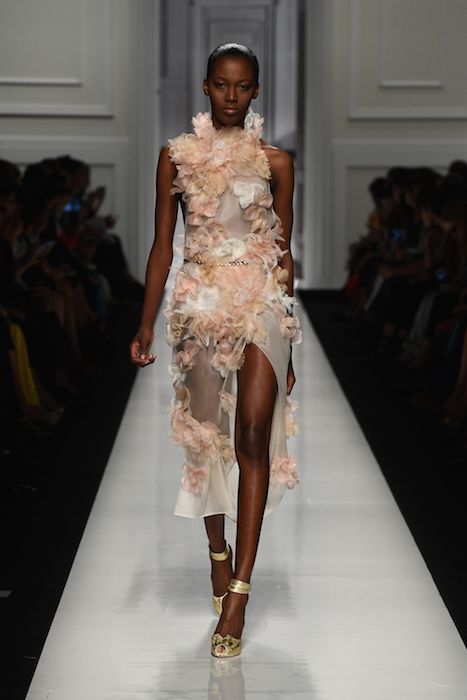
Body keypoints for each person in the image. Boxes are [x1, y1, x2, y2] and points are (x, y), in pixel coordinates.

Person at [130, 43, 301, 658]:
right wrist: (144, 324)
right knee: (207, 436)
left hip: (261, 303)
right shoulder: (175, 158)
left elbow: (282, 252)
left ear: (256, 91)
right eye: (222, 85)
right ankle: (217, 552)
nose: (232, 96)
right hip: (199, 302)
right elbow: (162, 247)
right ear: (206, 87)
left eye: (243, 86)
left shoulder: (277, 163)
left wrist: (291, 344)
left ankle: (240, 593)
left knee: (252, 433)